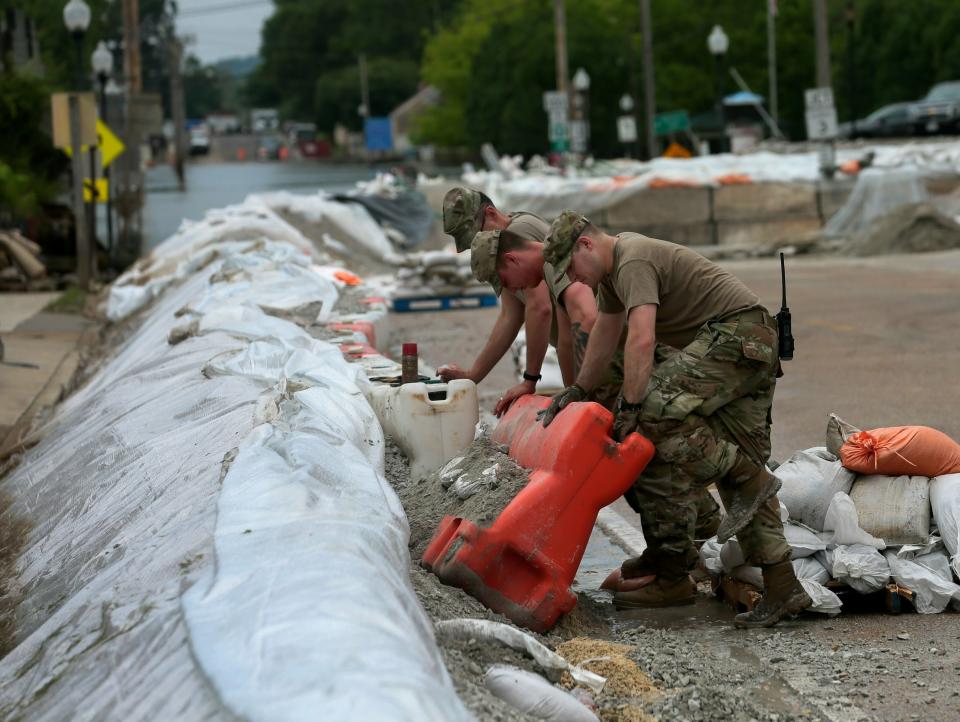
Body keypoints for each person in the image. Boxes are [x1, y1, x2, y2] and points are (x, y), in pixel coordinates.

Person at [539, 210, 811, 628]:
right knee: (743, 475)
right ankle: (783, 586)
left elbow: (642, 337)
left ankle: (739, 484)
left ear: (586, 245)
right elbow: (605, 335)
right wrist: (579, 389)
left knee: (653, 409)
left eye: (572, 268)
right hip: (742, 348)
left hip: (738, 337)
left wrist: (630, 405)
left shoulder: (633, 259)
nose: (574, 280)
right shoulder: (611, 277)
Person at [470, 227, 721, 544]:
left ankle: (692, 539)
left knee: (635, 456)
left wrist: (585, 392)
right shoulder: (549, 268)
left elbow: (586, 317)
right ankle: (688, 540)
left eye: (506, 281)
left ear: (511, 258)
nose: (514, 289)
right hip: (611, 364)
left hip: (617, 365)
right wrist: (572, 392)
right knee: (633, 458)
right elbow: (564, 337)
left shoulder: (553, 263)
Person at [438, 187, 560, 416]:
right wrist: (472, 376)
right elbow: (510, 316)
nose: (481, 244)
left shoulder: (518, 232)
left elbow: (539, 307)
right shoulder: (502, 249)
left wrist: (530, 380)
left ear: (492, 214)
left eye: (479, 235)